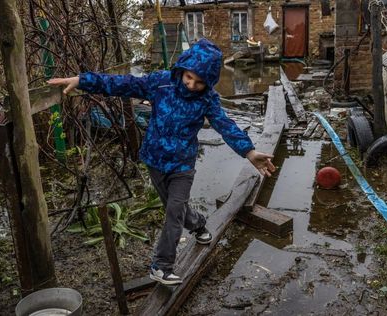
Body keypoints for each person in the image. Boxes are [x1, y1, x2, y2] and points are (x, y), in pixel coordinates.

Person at [48, 38, 276, 285]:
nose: (191, 85)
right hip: (155, 160)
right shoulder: (160, 83)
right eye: (189, 77)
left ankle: (161, 266)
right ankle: (198, 225)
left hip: (182, 165)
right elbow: (122, 83)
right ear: (182, 68)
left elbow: (225, 125)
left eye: (200, 82)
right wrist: (83, 81)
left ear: (209, 82)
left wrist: (250, 152)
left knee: (174, 211)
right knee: (174, 208)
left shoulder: (207, 99)